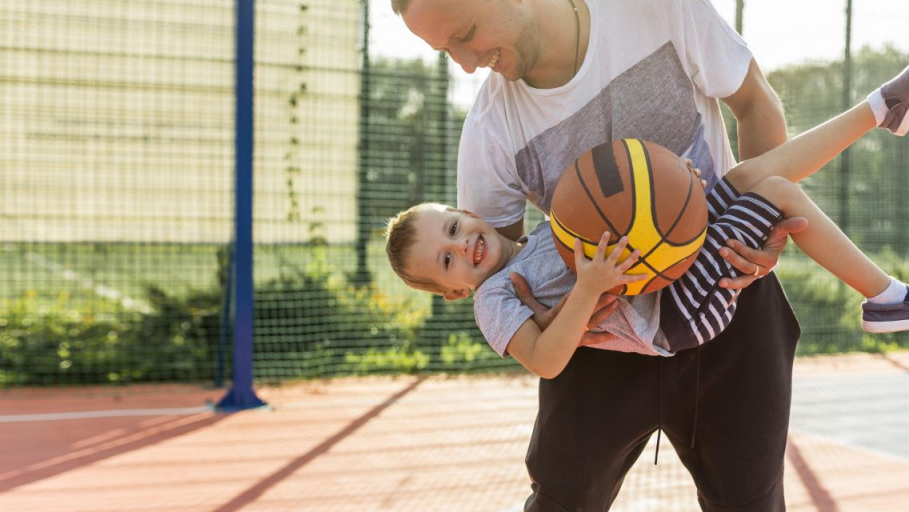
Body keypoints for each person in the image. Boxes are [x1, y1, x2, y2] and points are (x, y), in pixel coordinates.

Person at [388, 0, 871, 509]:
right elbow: (500, 275)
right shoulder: (490, 127)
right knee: (563, 499)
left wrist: (755, 230)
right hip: (599, 326)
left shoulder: (657, 8)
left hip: (721, 288)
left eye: (466, 34)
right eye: (447, 53)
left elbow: (756, 104)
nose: (465, 63)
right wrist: (553, 319)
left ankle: (878, 124)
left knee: (750, 500)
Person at [384, 68, 909, 382]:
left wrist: (670, 189)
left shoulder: (545, 230)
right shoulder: (492, 300)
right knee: (774, 192)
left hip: (675, 263)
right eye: (446, 261)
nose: (461, 246)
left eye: (452, 228)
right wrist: (588, 288)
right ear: (453, 292)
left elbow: (626, 214)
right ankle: (885, 296)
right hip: (673, 315)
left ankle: (880, 108)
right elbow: (545, 362)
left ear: (467, 212)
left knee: (747, 175)